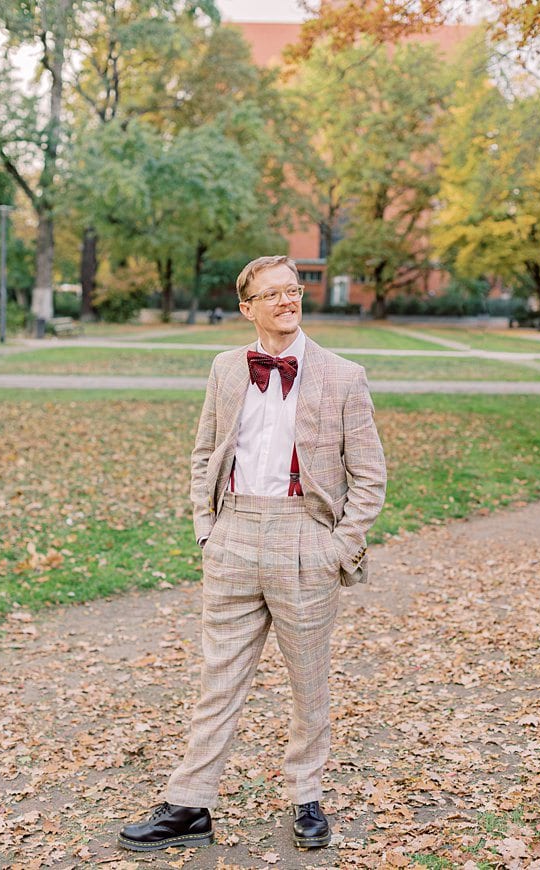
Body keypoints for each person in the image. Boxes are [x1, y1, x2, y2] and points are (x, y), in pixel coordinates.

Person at [118, 255, 386, 852]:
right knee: (219, 678)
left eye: (293, 291)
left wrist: (338, 547)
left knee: (309, 683)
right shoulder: (224, 368)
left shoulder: (343, 375)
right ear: (248, 307)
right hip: (234, 533)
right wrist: (206, 530)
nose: (287, 301)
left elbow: (369, 477)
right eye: (273, 294)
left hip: (304, 540)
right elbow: (204, 451)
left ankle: (306, 798)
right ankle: (190, 804)